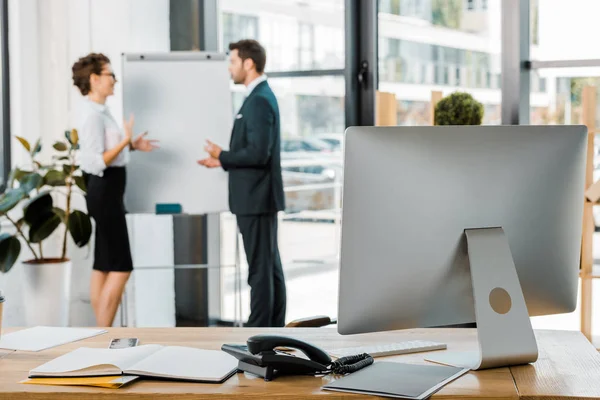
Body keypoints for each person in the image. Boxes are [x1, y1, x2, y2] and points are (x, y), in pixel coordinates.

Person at [198, 40, 286, 327]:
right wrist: (222, 160)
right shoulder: (258, 96)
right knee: (268, 266)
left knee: (260, 269)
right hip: (256, 197)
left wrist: (222, 154)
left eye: (233, 61)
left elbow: (260, 153)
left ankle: (260, 330)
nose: (230, 68)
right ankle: (271, 328)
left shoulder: (259, 99)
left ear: (249, 63)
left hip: (256, 198)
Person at [72, 53, 158, 327]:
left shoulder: (101, 111)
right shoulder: (91, 116)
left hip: (108, 192)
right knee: (121, 266)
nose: (114, 80)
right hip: (104, 192)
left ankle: (98, 334)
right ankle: (103, 333)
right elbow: (95, 160)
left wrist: (130, 145)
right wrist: (125, 142)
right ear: (94, 79)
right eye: (109, 74)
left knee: (104, 264)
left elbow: (106, 151)